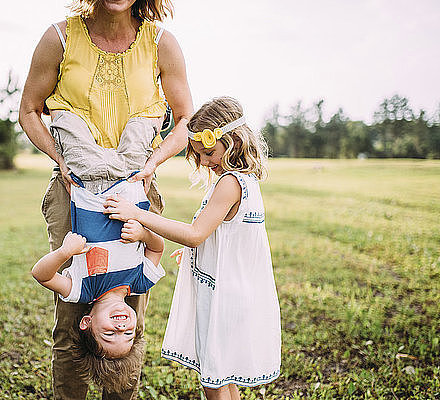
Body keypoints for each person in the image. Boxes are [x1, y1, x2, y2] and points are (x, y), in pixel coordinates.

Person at [18, 0, 193, 398]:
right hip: (75, 186)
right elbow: (29, 109)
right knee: (70, 321)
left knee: (136, 317)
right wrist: (60, 159)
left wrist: (153, 163)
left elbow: (184, 118)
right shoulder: (59, 37)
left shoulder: (162, 43)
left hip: (137, 187)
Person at [104, 97, 282, 400]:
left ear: (234, 140)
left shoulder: (229, 183)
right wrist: (193, 253)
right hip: (235, 289)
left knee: (212, 378)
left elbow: (196, 234)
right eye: (199, 155)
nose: (204, 161)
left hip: (222, 296)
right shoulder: (246, 181)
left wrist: (136, 213)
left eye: (209, 152)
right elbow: (224, 234)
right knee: (224, 373)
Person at [30, 211, 165, 391]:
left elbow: (41, 275)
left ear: (86, 322)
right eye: (128, 334)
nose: (121, 328)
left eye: (109, 335)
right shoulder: (141, 282)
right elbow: (157, 249)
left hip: (85, 199)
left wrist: (65, 251)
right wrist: (144, 234)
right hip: (126, 198)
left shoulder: (82, 290)